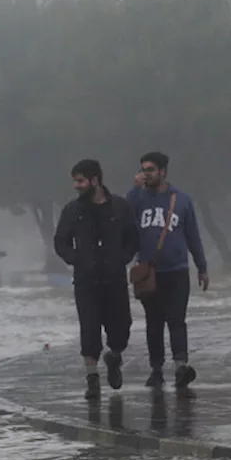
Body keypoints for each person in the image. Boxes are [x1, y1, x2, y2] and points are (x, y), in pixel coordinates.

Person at [53, 159, 141, 400]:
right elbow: (60, 241)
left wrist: (122, 258)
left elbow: (133, 238)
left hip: (114, 280)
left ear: (95, 180)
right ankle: (92, 379)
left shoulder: (120, 207)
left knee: (121, 328)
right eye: (75, 181)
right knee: (89, 330)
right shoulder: (72, 211)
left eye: (80, 181)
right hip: (85, 281)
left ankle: (114, 357)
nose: (76, 186)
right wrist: (76, 259)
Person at [127, 151, 209, 389]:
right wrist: (134, 190)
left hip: (177, 270)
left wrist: (202, 267)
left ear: (162, 171)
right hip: (149, 272)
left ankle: (181, 366)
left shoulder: (181, 200)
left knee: (177, 319)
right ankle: (156, 369)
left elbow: (193, 235)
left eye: (150, 170)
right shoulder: (138, 199)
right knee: (153, 322)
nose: (146, 174)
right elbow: (123, 217)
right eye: (143, 170)